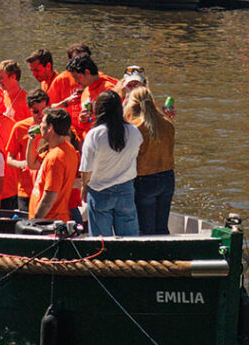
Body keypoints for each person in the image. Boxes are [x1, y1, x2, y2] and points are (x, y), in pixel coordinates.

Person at [80, 91, 142, 236]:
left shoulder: (95, 135)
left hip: (100, 191)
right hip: (126, 190)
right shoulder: (134, 132)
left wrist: (84, 188)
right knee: (129, 241)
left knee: (101, 243)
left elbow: (86, 169)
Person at [124, 86, 175, 235]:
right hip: (168, 177)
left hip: (145, 179)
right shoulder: (168, 123)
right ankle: (166, 255)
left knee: (145, 230)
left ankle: (149, 256)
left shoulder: (135, 127)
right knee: (162, 227)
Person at [28, 108, 78, 221]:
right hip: (53, 220)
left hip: (47, 223)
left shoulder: (55, 158)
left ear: (50, 128)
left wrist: (34, 222)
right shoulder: (67, 149)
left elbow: (48, 199)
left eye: (43, 123)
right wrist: (31, 141)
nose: (40, 125)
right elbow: (32, 164)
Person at [6, 89, 50, 212]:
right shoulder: (20, 127)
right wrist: (22, 164)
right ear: (29, 109)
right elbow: (9, 158)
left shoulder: (54, 127)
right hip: (26, 190)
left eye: (43, 110)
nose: (40, 115)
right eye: (36, 111)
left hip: (48, 188)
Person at [67, 53, 117, 136]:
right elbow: (84, 125)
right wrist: (81, 120)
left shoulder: (108, 89)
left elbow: (114, 119)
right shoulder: (86, 91)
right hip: (89, 140)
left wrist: (91, 118)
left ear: (87, 72)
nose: (76, 82)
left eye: (77, 77)